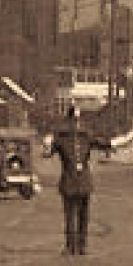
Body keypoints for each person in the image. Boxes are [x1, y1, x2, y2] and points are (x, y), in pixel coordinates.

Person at [44, 106, 113, 256]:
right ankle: (70, 246)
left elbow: (105, 144)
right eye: (74, 120)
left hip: (84, 181)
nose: (76, 124)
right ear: (68, 121)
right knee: (70, 216)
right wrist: (47, 143)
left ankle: (82, 246)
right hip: (69, 180)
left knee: (83, 216)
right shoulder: (61, 139)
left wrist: (125, 139)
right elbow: (47, 153)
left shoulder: (86, 137)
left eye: (78, 120)